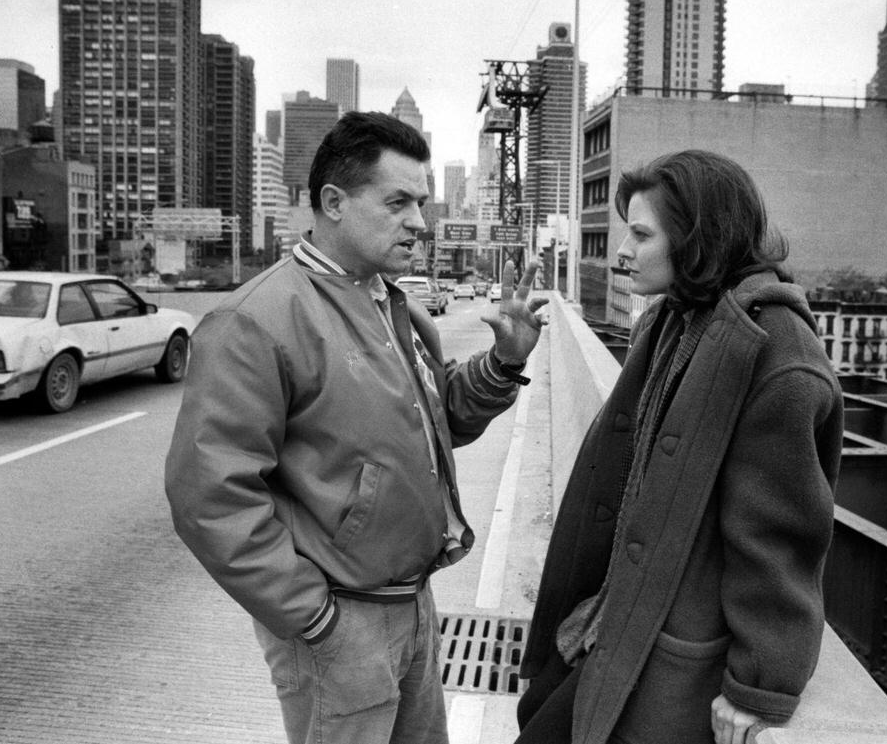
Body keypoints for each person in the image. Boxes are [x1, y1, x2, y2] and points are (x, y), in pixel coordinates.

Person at [164, 111, 548, 744]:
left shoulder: (392, 302)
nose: (419, 222)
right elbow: (208, 496)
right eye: (397, 202)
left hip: (413, 603)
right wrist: (314, 619)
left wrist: (505, 362)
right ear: (333, 203)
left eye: (421, 202)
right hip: (340, 623)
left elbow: (437, 418)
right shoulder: (256, 321)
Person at [515, 149, 843, 744]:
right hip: (614, 620)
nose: (621, 251)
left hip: (671, 654)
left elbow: (779, 539)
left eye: (641, 235)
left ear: (699, 239)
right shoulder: (675, 320)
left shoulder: (777, 358)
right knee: (536, 711)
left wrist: (759, 683)